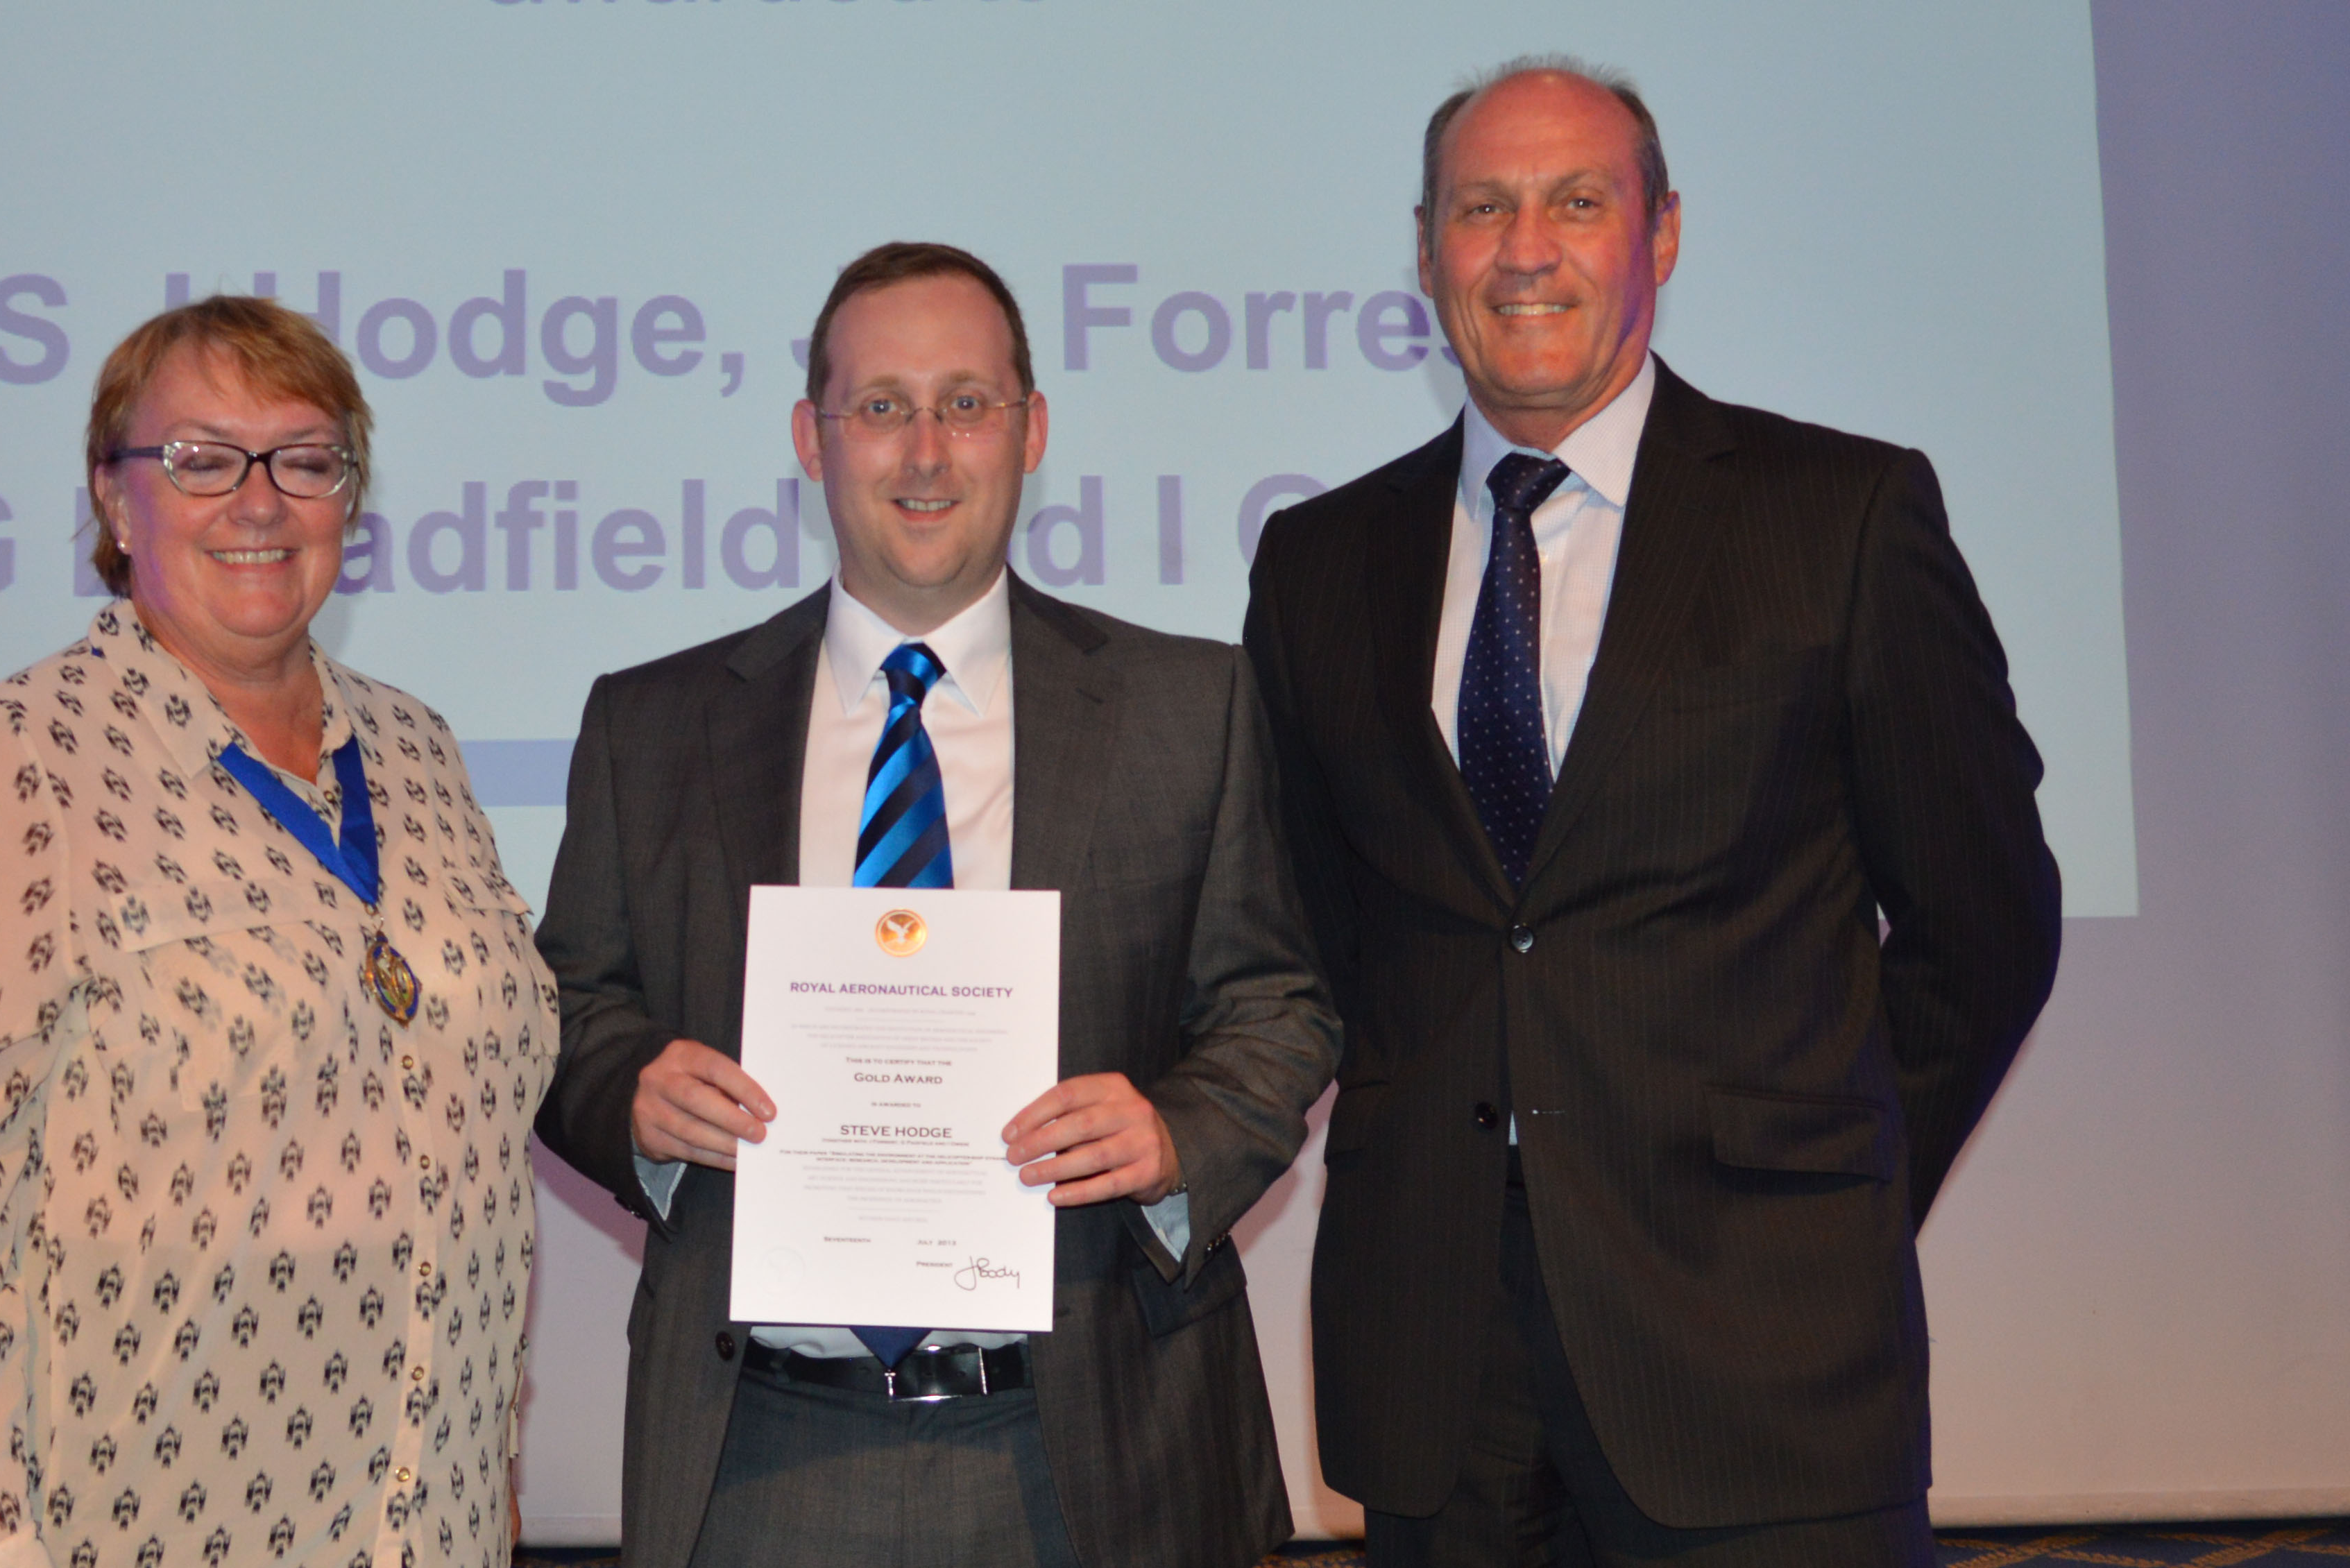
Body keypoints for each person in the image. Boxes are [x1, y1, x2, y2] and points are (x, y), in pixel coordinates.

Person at [1243, 59, 2063, 1568]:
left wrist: (1826, 1186)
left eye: (1576, 200)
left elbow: (1983, 919)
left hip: (1765, 1363)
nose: (1524, 247)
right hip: (1434, 1377)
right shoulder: (1315, 559)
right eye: (1479, 208)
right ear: (1423, 250)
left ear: (1661, 233)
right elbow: (1310, 929)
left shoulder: (1843, 515)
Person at [533, 241, 1339, 1568]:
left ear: (1030, 433)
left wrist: (1175, 1134)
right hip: (760, 1455)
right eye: (882, 406)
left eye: (967, 404)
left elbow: (1280, 1005)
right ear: (812, 436)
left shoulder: (1189, 709)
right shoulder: (654, 725)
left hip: (1095, 1449)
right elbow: (565, 1010)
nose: (925, 451)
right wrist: (630, 1095)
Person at [0, 295, 558, 1568]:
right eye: (201, 460)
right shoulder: (21, 760)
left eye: (307, 460)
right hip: (147, 1525)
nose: (259, 502)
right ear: (116, 502)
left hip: (427, 1526)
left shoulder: (419, 750)